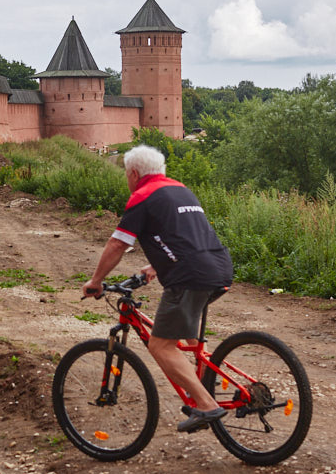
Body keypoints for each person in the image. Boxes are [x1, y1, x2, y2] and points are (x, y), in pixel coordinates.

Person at [82, 144, 234, 433]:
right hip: (219, 266)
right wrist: (156, 266)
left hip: (188, 275)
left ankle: (206, 404)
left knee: (160, 345)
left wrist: (96, 281)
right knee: (187, 331)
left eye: (127, 175)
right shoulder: (180, 189)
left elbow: (118, 243)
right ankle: (202, 385)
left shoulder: (143, 195)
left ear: (135, 174)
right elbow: (185, 236)